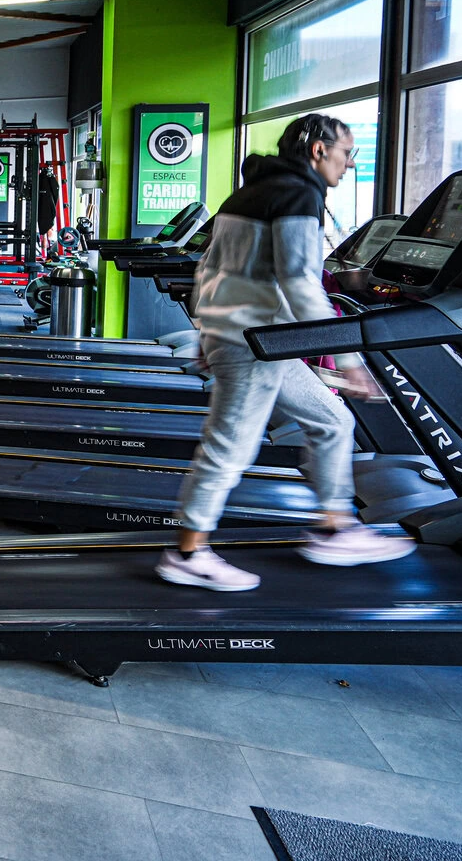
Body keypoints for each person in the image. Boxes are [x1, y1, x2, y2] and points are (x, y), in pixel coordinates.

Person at [156, 112, 415, 592]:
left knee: (333, 422)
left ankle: (335, 526)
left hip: (255, 340)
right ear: (319, 151)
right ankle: (188, 553)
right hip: (252, 342)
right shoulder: (300, 194)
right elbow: (301, 282)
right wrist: (348, 358)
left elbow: (209, 267)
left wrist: (208, 331)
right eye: (346, 154)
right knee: (231, 445)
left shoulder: (251, 190)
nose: (349, 164)